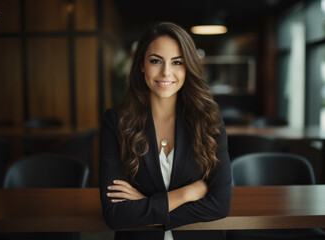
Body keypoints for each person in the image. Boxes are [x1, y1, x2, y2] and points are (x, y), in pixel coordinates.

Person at [99, 22, 232, 240]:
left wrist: (145, 203)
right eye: (155, 61)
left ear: (187, 67)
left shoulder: (208, 119)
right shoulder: (116, 122)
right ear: (142, 64)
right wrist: (187, 193)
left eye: (177, 62)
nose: (166, 72)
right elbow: (115, 215)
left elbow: (220, 204)